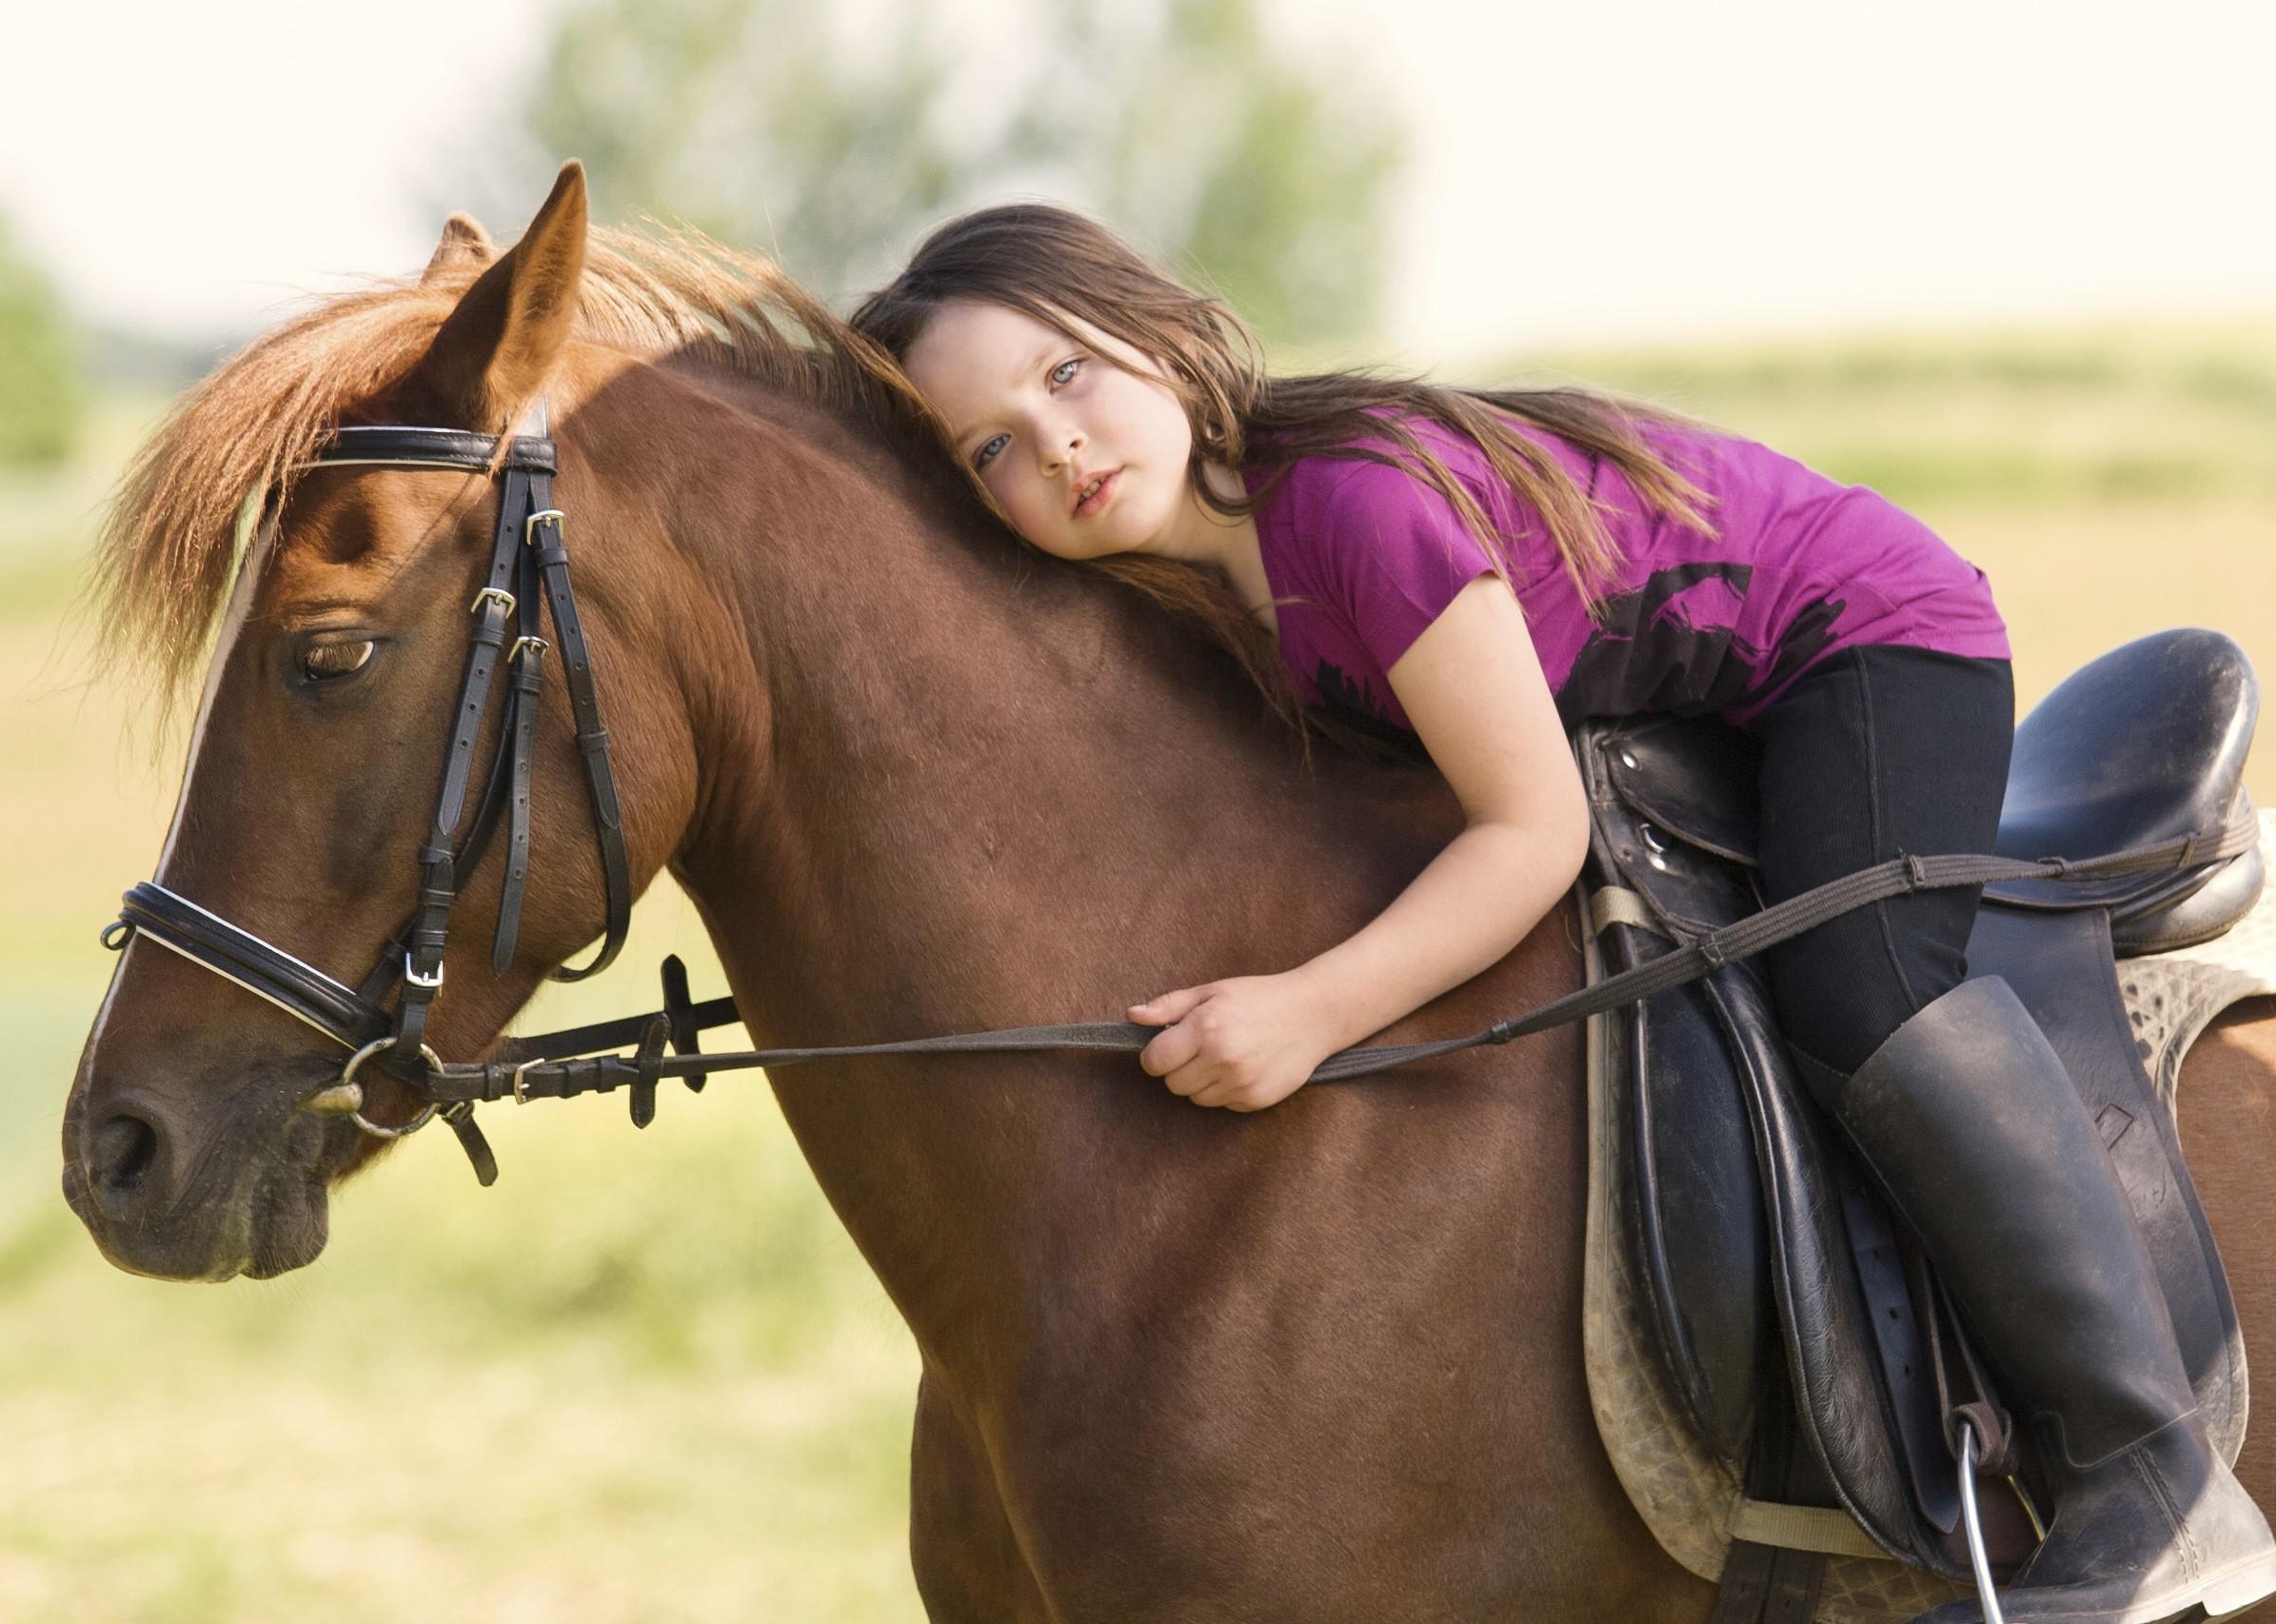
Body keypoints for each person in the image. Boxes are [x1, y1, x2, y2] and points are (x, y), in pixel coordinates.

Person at [845, 203, 2276, 1624]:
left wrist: (1309, 1009)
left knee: (1862, 989)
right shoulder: (1206, 599)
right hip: (1712, 699)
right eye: (994, 452)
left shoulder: (1346, 503)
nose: (1058, 445)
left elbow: (1532, 830)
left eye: (1064, 377)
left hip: (1862, 638)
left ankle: (2151, 1473)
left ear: (1149, 330)